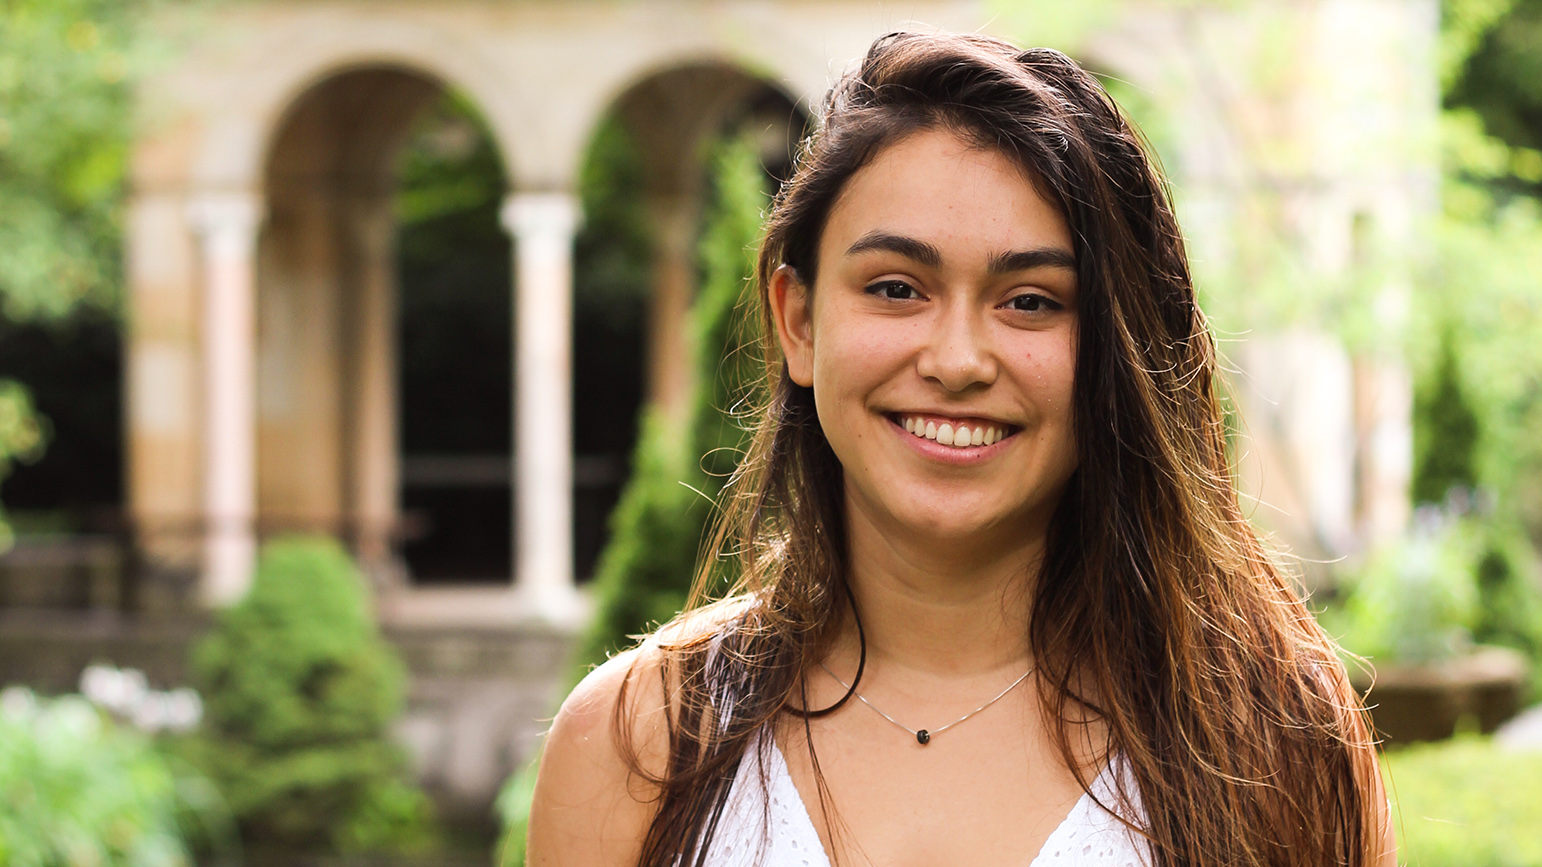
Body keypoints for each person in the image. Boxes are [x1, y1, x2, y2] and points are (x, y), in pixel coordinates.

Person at [528, 31, 1394, 867]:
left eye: (1031, 301)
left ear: (1115, 346)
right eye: (897, 287)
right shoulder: (638, 740)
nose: (955, 361)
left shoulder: (1272, 741)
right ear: (798, 320)